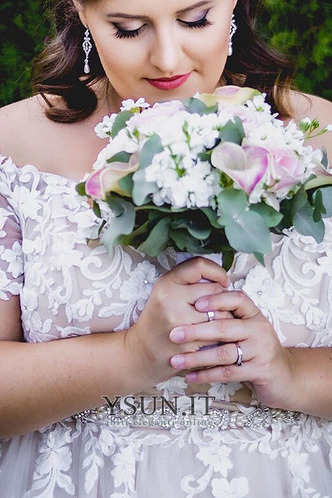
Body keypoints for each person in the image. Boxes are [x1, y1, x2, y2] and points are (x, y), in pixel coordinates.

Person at [0, 0, 332, 496]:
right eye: (129, 29)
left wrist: (292, 374)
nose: (169, 59)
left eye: (196, 19)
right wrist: (130, 357)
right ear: (81, 10)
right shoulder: (12, 144)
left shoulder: (322, 136)